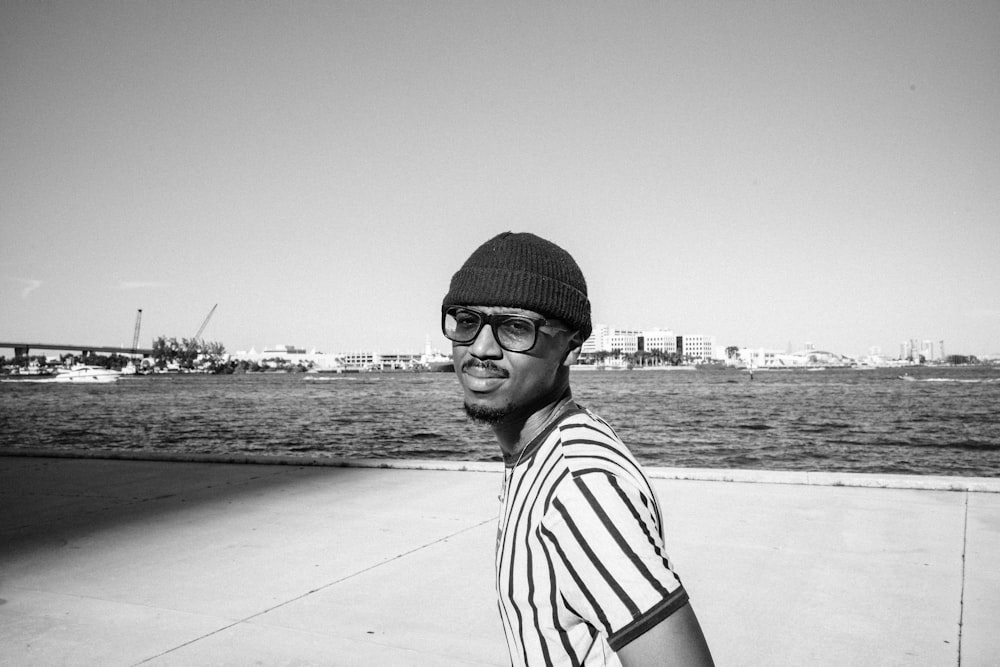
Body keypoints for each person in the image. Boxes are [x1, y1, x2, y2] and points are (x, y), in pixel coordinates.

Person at [441, 231, 714, 667]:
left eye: (516, 327)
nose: (480, 348)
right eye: (467, 321)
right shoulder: (540, 454)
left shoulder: (578, 487)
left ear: (571, 347)